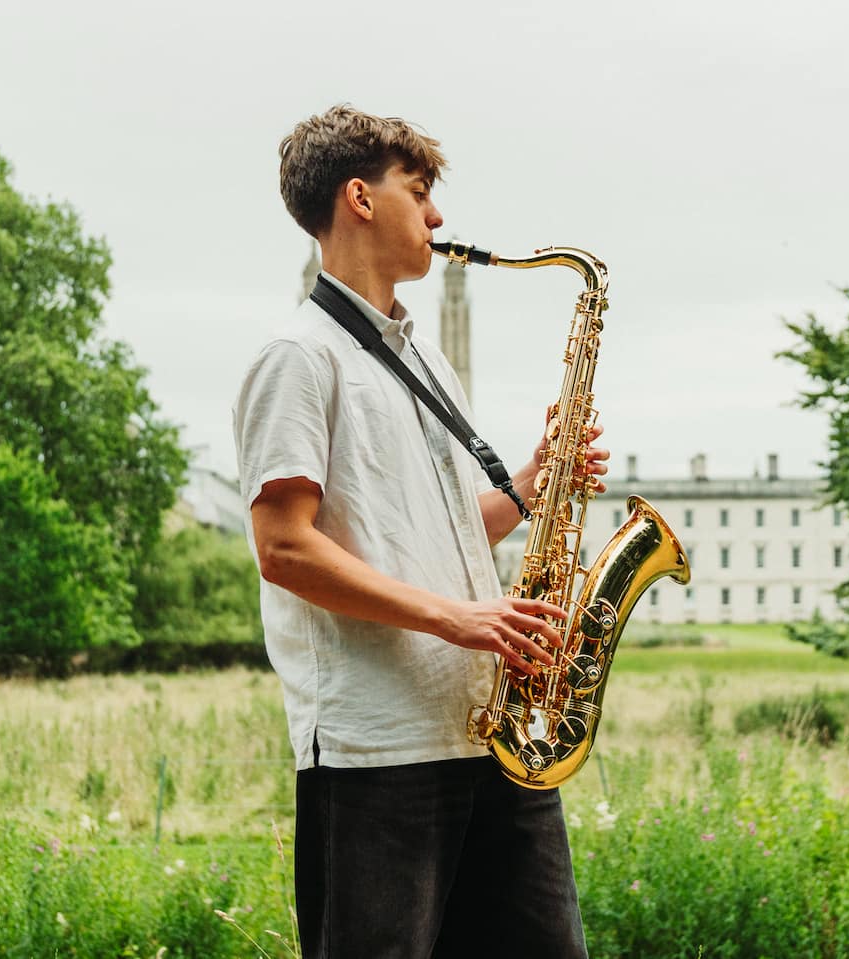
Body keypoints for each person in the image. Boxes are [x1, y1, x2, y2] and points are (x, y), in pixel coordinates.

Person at [233, 104, 607, 959]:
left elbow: (435, 535)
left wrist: (534, 481)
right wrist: (457, 619)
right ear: (360, 198)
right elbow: (284, 547)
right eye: (421, 189)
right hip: (379, 754)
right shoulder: (299, 356)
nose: (438, 216)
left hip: (491, 734)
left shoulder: (424, 357)